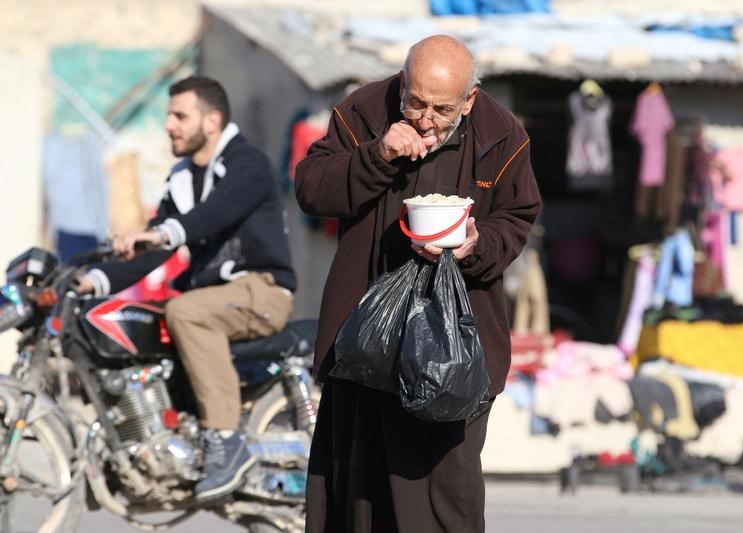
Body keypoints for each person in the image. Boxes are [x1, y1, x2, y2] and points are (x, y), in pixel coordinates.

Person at [295, 35, 541, 532]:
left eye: (441, 108)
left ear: (469, 100)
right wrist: (377, 153)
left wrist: (476, 245)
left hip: (455, 350)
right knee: (355, 492)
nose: (425, 118)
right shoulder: (362, 112)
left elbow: (517, 217)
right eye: (416, 102)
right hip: (365, 342)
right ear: (403, 84)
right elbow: (312, 189)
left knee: (444, 499)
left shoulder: (503, 135)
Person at [75, 76, 297, 500]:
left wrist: (161, 234)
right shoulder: (182, 179)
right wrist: (92, 281)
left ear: (212, 120)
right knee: (150, 320)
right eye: (168, 116)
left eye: (180, 116)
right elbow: (153, 251)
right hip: (215, 300)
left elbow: (213, 214)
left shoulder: (247, 163)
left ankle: (226, 441)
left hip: (262, 290)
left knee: (185, 311)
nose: (169, 125)